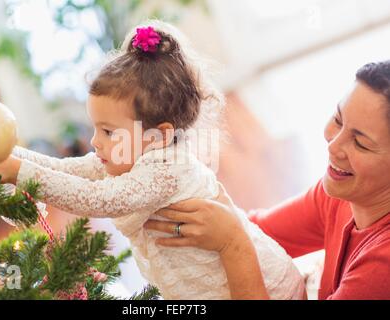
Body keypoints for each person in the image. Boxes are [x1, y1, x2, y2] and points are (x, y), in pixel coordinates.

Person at [0, 21, 304, 299]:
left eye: (108, 132)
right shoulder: (133, 155)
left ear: (158, 135)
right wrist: (12, 154)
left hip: (269, 290)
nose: (94, 142)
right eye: (96, 128)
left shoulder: (166, 172)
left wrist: (19, 172)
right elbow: (74, 168)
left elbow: (96, 198)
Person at [144, 61, 390, 300]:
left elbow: (238, 236)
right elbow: (257, 232)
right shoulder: (338, 196)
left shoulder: (384, 265)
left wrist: (233, 245)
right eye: (338, 120)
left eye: (360, 143)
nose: (333, 145)